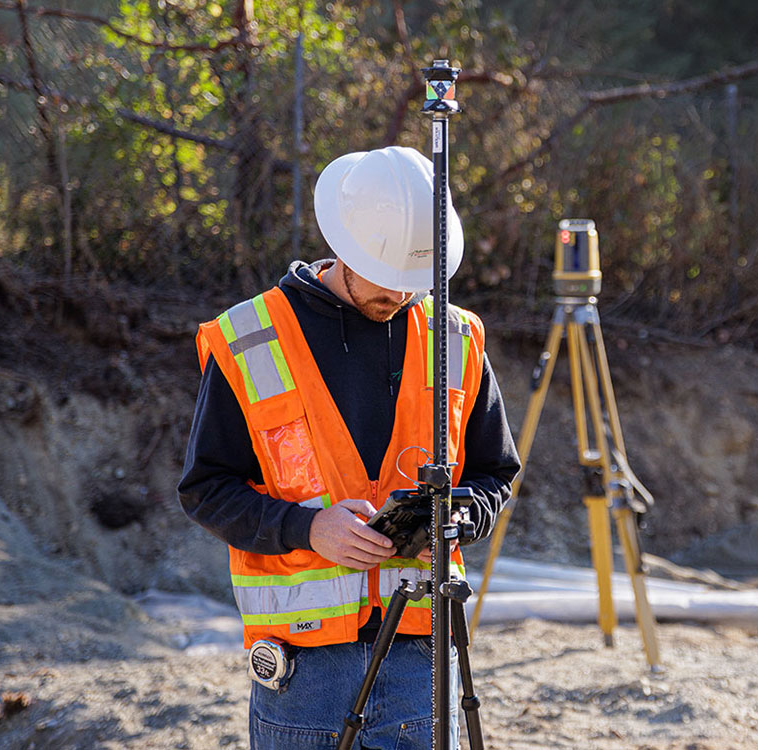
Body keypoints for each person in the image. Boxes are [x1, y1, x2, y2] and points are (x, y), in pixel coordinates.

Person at [177, 145, 520, 750]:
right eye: (387, 282)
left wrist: (457, 519)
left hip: (419, 650)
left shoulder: (456, 338)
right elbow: (207, 490)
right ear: (343, 251)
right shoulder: (250, 338)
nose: (400, 298)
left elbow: (495, 472)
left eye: (413, 286)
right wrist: (308, 529)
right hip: (305, 665)